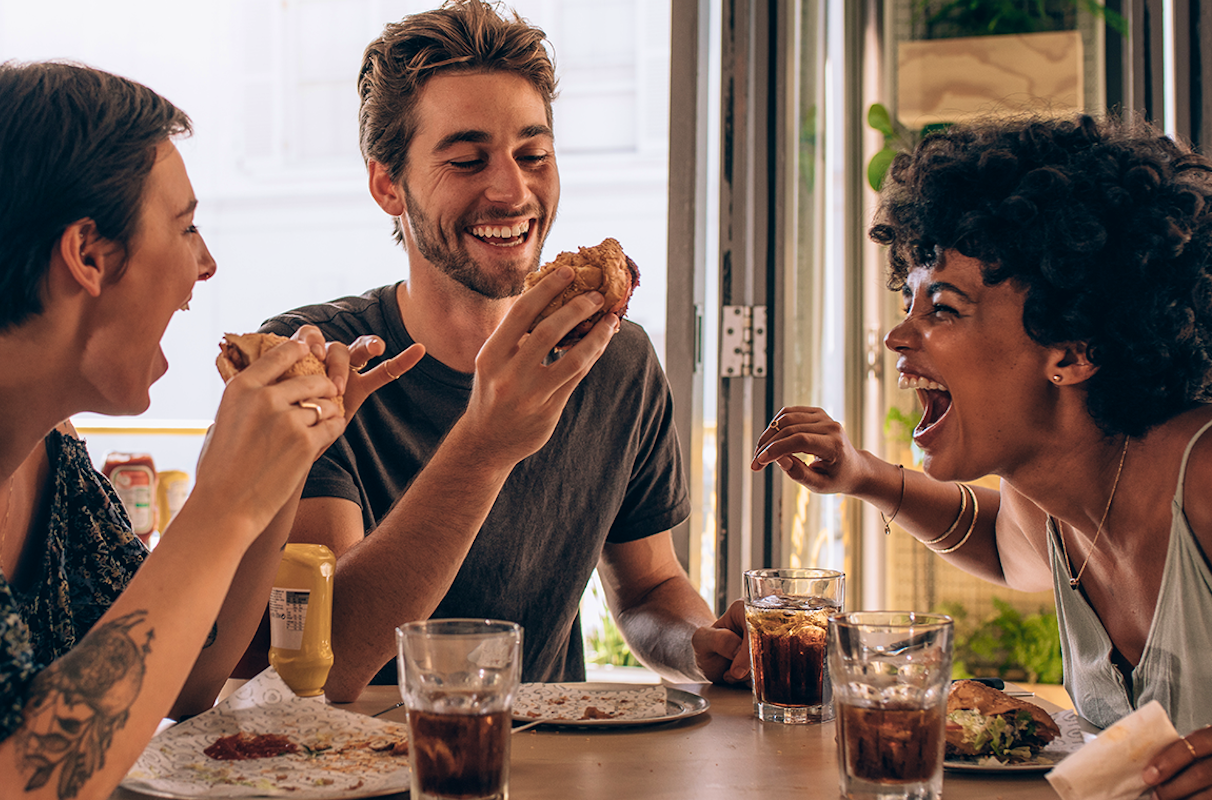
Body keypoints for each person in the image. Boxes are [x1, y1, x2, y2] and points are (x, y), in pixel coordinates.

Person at [0, 61, 416, 798]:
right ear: (88, 255)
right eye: (186, 227)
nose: (207, 264)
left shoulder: (51, 456)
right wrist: (222, 503)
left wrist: (283, 464)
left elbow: (183, 677)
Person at [255, 0, 746, 701]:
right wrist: (486, 444)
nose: (513, 191)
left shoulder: (615, 358)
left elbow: (649, 588)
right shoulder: (314, 365)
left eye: (533, 155)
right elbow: (322, 662)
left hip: (546, 751)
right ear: (387, 184)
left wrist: (700, 646)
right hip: (357, 753)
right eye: (466, 160)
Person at [751, 114, 1212, 798]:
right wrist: (864, 475)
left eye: (943, 309)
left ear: (1073, 351)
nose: (897, 336)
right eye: (909, 301)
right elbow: (1000, 543)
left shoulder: (1202, 477)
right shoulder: (1048, 501)